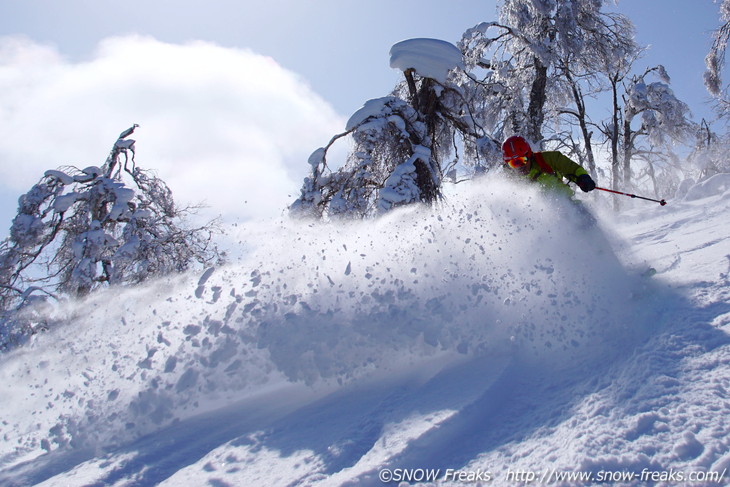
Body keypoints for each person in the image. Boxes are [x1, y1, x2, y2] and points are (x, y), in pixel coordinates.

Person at [501, 135, 596, 197]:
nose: (519, 167)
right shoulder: (508, 179)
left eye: (522, 161)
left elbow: (572, 168)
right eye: (513, 164)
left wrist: (583, 178)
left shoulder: (547, 159)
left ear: (529, 155)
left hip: (569, 205)